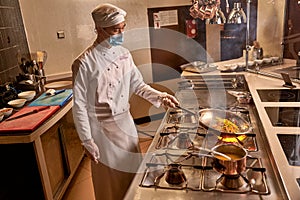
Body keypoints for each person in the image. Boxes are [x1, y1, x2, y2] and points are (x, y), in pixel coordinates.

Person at [71, 3, 179, 200]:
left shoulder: (124, 54)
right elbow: (79, 106)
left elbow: (138, 85)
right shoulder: (84, 63)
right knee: (110, 183)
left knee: (133, 175)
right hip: (102, 131)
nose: (120, 34)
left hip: (126, 125)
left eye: (122, 28)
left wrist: (160, 96)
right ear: (99, 29)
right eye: (115, 30)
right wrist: (86, 140)